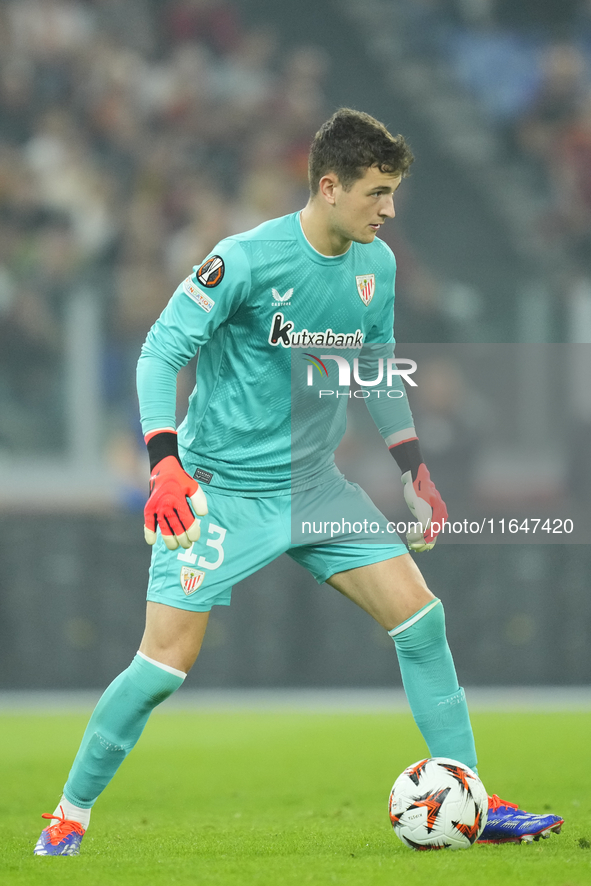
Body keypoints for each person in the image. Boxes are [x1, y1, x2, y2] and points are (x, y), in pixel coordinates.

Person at [35, 108, 563, 855]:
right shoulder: (244, 261)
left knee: (422, 618)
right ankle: (69, 815)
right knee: (159, 669)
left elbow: (374, 366)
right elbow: (158, 354)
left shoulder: (374, 267)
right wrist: (165, 463)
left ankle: (468, 801)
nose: (388, 209)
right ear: (329, 186)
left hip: (316, 487)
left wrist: (412, 469)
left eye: (392, 192)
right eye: (377, 192)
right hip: (219, 491)